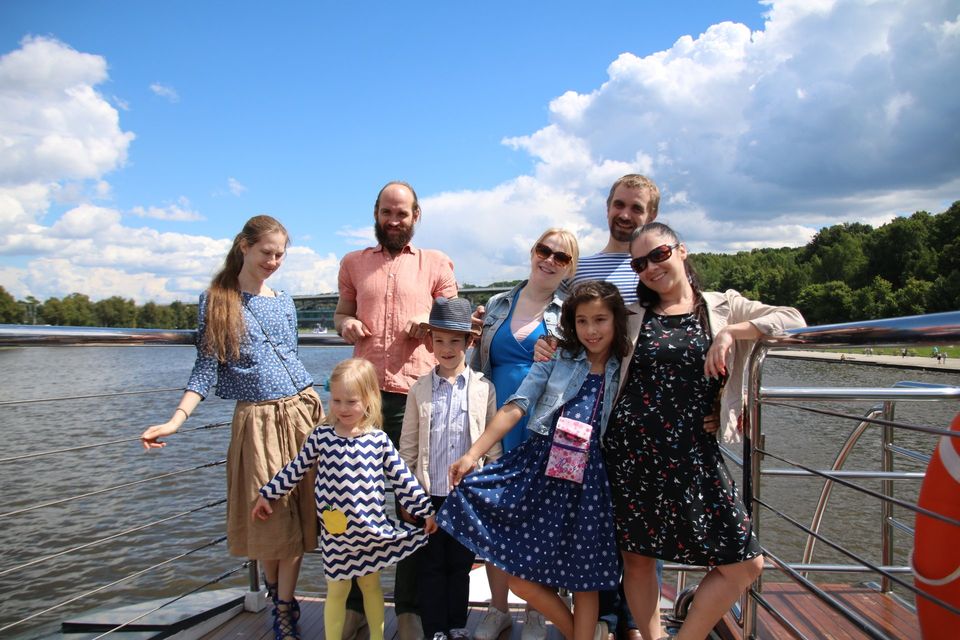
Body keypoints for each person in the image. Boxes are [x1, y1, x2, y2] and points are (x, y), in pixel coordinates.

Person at [603, 222, 806, 640]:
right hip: (630, 453)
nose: (651, 268)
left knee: (745, 563)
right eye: (639, 263)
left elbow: (793, 320)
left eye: (659, 255)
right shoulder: (633, 313)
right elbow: (583, 335)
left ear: (681, 250)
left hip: (694, 451)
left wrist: (732, 333)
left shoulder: (722, 306)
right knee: (637, 559)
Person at [141, 215, 323, 640]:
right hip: (257, 422)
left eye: (280, 255)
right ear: (244, 245)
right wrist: (175, 419)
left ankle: (282, 607)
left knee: (298, 517)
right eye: (266, 253)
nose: (274, 261)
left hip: (303, 413)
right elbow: (206, 368)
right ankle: (282, 602)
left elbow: (289, 356)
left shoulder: (285, 300)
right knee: (270, 517)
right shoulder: (217, 300)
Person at [440, 280, 631, 640]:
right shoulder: (559, 357)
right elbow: (517, 405)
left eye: (601, 320)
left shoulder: (626, 365)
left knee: (585, 581)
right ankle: (581, 635)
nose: (591, 331)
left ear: (617, 320)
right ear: (571, 324)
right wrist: (471, 454)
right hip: (546, 474)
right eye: (582, 321)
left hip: (594, 485)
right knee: (521, 581)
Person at [335, 180, 458, 640]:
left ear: (416, 215)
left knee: (411, 505)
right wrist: (346, 322)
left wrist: (428, 323)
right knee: (356, 503)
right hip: (363, 399)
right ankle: (357, 606)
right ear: (376, 213)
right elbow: (341, 312)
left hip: (416, 399)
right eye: (387, 211)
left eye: (402, 212)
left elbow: (453, 324)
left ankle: (409, 609)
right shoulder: (353, 263)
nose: (394, 219)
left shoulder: (437, 264)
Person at [253, 358, 437, 640]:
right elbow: (296, 468)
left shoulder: (377, 440)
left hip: (369, 530)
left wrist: (424, 509)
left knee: (370, 587)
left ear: (368, 400)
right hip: (336, 531)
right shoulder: (322, 436)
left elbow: (402, 478)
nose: (342, 408)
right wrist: (269, 493)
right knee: (336, 589)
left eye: (351, 401)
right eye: (337, 400)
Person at [469, 228, 577, 640]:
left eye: (561, 257)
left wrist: (559, 354)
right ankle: (498, 610)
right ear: (533, 252)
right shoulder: (498, 304)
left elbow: (580, 367)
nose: (549, 260)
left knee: (537, 522)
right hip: (496, 423)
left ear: (569, 267)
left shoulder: (568, 311)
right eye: (544, 250)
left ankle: (536, 612)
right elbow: (475, 361)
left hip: (543, 426)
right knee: (496, 517)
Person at [399, 297, 501, 640]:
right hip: (429, 495)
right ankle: (435, 630)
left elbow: (492, 442)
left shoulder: (483, 388)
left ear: (469, 343)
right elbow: (408, 448)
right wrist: (407, 493)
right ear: (430, 342)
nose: (446, 348)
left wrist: (489, 489)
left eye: (454, 340)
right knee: (431, 567)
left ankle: (457, 625)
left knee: (460, 566)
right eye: (439, 340)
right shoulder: (418, 390)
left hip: (466, 496)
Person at [568, 174, 659, 305]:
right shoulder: (575, 270)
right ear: (608, 208)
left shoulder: (658, 271)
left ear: (651, 216)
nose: (625, 216)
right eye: (619, 205)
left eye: (636, 208)